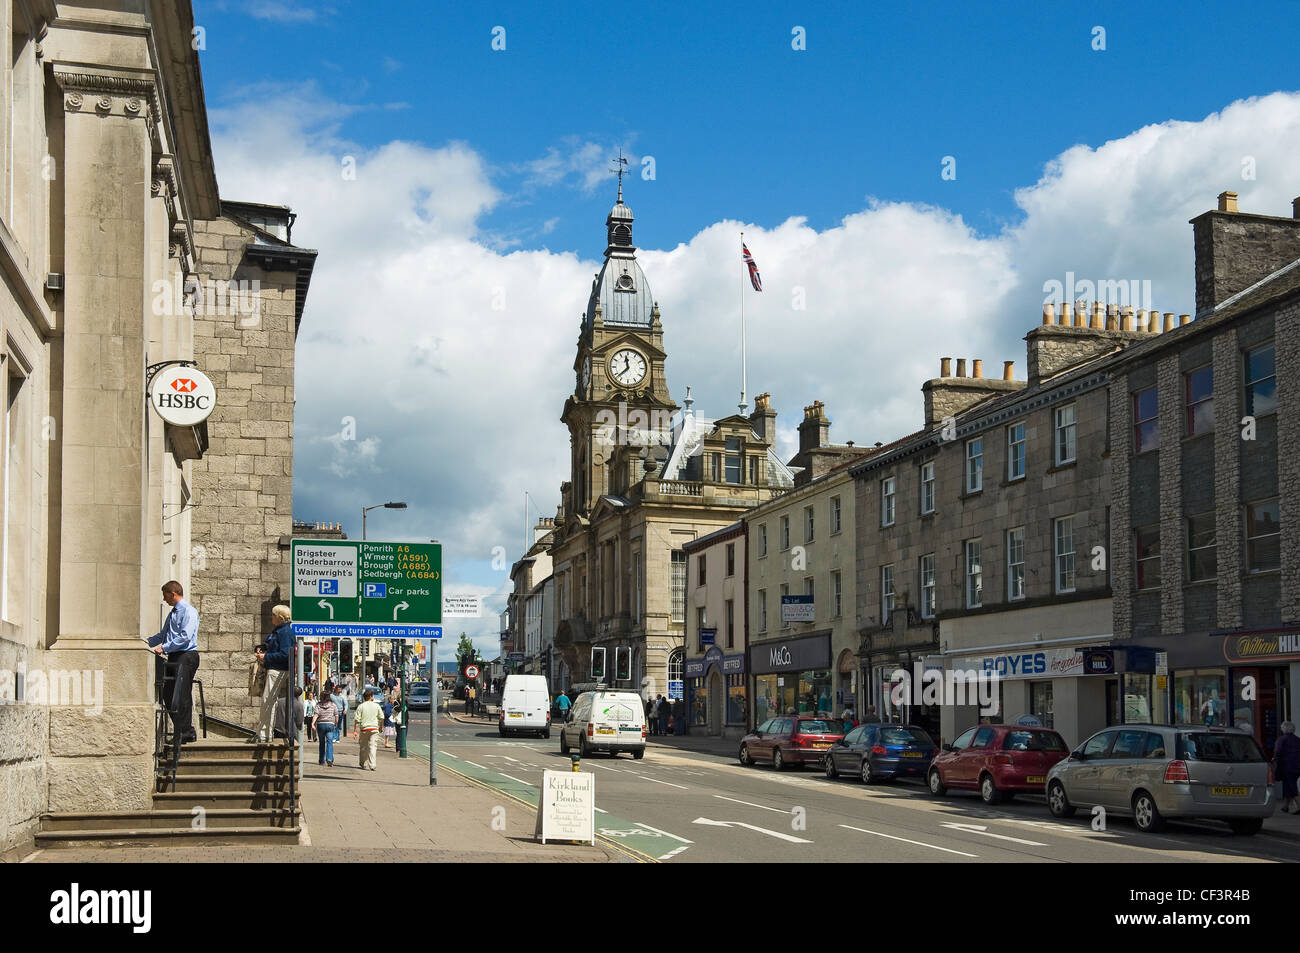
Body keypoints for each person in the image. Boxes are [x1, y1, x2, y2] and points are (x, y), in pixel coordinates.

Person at [146, 580, 201, 744]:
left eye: (165, 596)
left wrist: (164, 648)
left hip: (186, 655)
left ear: (173, 594)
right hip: (174, 655)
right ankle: (184, 729)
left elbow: (185, 636)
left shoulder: (188, 611)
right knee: (168, 693)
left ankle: (185, 732)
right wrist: (144, 643)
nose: (164, 600)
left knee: (181, 693)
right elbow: (163, 635)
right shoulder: (173, 613)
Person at [254, 605, 295, 743]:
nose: (271, 617)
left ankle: (265, 734)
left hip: (278, 669)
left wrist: (265, 657)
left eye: (273, 615)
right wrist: (263, 649)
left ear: (279, 617)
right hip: (275, 668)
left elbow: (285, 654)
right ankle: (263, 732)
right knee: (268, 701)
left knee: (268, 701)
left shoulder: (284, 632)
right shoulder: (280, 631)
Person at [354, 688, 384, 771]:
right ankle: (372, 765)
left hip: (364, 729)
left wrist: (355, 731)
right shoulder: (376, 706)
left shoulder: (361, 706)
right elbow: (381, 718)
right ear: (371, 696)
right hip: (374, 729)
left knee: (363, 747)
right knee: (373, 747)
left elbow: (357, 719)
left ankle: (363, 763)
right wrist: (381, 727)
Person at [1275, 721, 1300, 813]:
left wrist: (1274, 760)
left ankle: (1299, 805)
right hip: (1297, 766)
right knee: (1287, 785)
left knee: (1291, 785)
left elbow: (1278, 752)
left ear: (1284, 729)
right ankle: (1285, 806)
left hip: (1287, 766)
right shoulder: (1298, 739)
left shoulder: (1281, 739)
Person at [315, 682, 339, 766]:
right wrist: (335, 723)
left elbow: (316, 714)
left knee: (321, 743)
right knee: (329, 742)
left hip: (321, 724)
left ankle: (321, 761)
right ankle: (329, 758)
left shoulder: (318, 705)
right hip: (330, 724)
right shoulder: (333, 705)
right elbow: (336, 715)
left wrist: (312, 723)